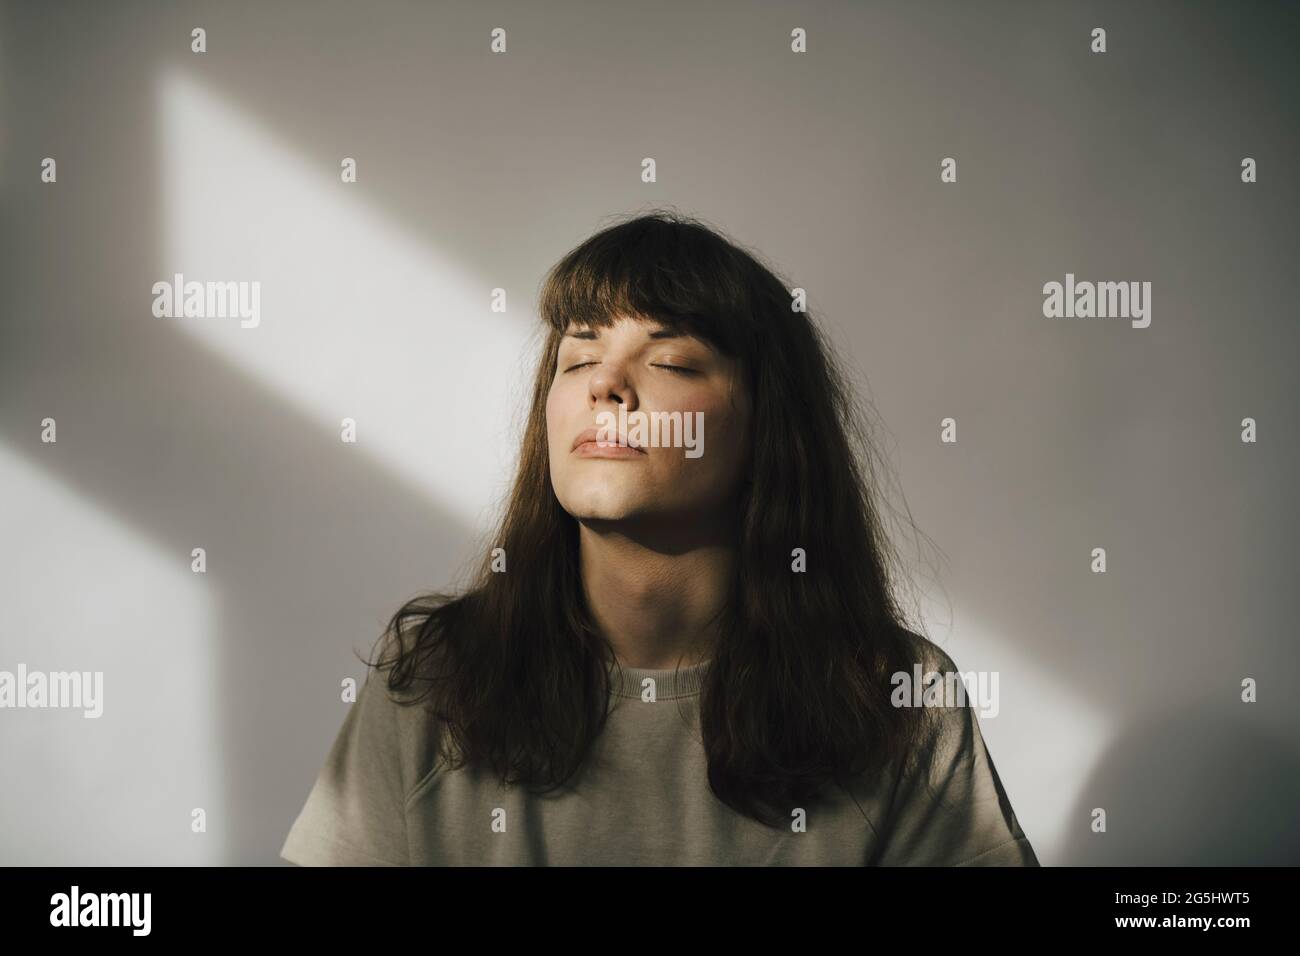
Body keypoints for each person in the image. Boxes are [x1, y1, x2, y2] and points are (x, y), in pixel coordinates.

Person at [280, 209, 1039, 866]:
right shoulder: (433, 682)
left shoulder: (898, 700)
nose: (604, 385)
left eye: (671, 359)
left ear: (767, 428)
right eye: (578, 357)